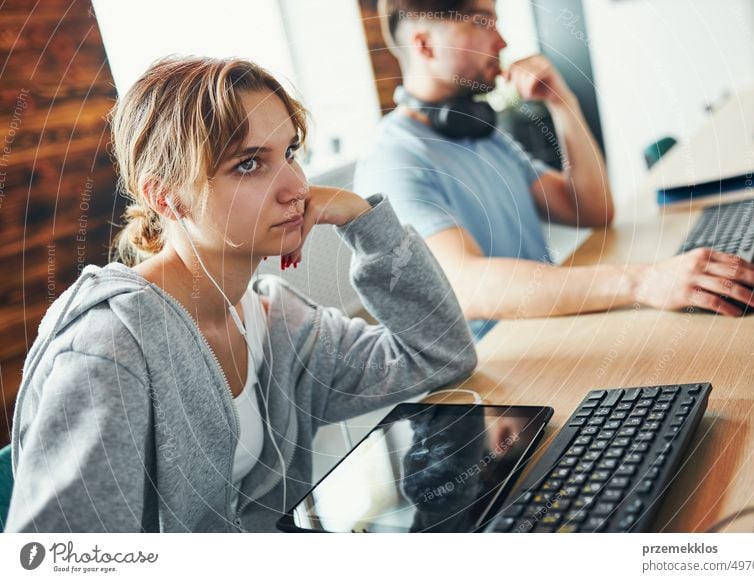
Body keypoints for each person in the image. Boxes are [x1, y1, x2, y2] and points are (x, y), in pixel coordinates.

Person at [6, 55, 477, 532]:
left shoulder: (275, 322)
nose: (296, 187)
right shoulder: (108, 349)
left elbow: (438, 355)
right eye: (249, 164)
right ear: (165, 197)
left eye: (290, 152)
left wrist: (365, 222)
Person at [355, 0, 754, 340]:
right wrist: (641, 281)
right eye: (483, 22)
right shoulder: (394, 159)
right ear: (425, 44)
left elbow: (591, 210)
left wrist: (563, 103)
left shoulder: (484, 135)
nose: (502, 40)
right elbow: (468, 286)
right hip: (498, 377)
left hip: (553, 328)